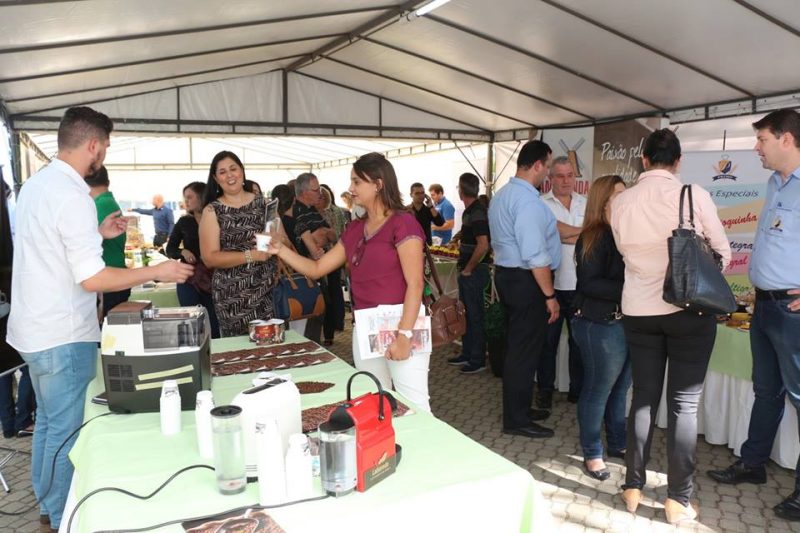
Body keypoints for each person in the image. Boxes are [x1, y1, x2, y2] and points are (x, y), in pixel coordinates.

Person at [7, 106, 192, 532]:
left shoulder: (37, 185)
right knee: (67, 432)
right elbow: (92, 278)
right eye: (105, 147)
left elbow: (53, 247)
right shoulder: (72, 195)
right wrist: (157, 271)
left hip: (35, 330)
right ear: (93, 145)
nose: (103, 155)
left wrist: (98, 233)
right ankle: (61, 516)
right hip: (61, 333)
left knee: (49, 424)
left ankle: (47, 505)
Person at [610, 128, 730, 524]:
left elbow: (623, 251)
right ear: (678, 162)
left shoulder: (620, 202)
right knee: (684, 405)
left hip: (638, 310)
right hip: (688, 310)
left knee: (643, 398)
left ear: (644, 159)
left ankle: (632, 486)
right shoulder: (693, 195)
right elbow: (723, 253)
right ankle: (678, 499)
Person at [266, 153, 430, 411]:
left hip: (403, 324)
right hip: (366, 328)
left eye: (356, 182)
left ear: (378, 184)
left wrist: (404, 335)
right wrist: (280, 250)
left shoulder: (403, 223)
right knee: (374, 404)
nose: (351, 188)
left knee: (415, 406)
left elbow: (415, 284)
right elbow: (317, 268)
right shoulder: (355, 229)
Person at [707, 108, 800, 522]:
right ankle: (753, 463)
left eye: (762, 140)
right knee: (766, 390)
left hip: (791, 312)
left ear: (786, 139)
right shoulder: (775, 182)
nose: (756, 148)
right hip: (764, 304)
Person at [488, 140, 560, 439]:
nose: (548, 174)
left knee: (519, 349)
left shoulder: (503, 194)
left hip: (509, 277)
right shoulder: (528, 201)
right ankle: (516, 420)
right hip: (526, 281)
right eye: (548, 166)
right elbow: (535, 255)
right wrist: (550, 296)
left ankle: (519, 409)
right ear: (538, 165)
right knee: (523, 352)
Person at [570, 175, 630, 480]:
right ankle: (592, 452)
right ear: (603, 201)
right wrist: (633, 287)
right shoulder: (594, 236)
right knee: (598, 390)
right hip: (600, 325)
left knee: (620, 390)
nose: (626, 199)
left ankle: (618, 442)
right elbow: (590, 283)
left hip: (625, 322)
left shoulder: (625, 232)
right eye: (619, 195)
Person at [199, 151, 278, 338]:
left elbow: (281, 240)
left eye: (233, 169)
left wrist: (274, 240)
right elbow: (209, 258)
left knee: (268, 345)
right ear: (216, 178)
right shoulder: (212, 211)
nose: (230, 175)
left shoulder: (265, 204)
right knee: (239, 348)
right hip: (231, 295)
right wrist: (251, 255)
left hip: (265, 289)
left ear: (242, 171)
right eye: (222, 172)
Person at [538, 157, 587, 408]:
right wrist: (581, 233)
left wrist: (562, 234)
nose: (566, 180)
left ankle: (576, 392)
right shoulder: (540, 204)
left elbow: (593, 235)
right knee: (548, 343)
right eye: (560, 175)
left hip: (580, 285)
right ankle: (545, 391)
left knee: (578, 343)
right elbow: (549, 234)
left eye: (570, 175)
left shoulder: (586, 203)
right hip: (551, 286)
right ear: (550, 178)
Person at [446, 173, 491, 374]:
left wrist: (469, 268)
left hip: (474, 273)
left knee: (474, 316)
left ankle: (477, 358)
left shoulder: (477, 212)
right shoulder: (471, 211)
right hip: (468, 272)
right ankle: (467, 352)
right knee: (465, 314)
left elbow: (483, 244)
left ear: (461, 190)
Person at [166, 181, 220, 338]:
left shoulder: (218, 219)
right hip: (188, 277)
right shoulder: (184, 222)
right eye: (185, 198)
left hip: (213, 278)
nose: (186, 201)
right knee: (191, 323)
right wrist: (183, 251)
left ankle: (216, 351)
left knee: (215, 324)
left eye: (190, 197)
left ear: (202, 197)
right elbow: (170, 249)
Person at [85, 166, 130, 317]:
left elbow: (82, 242)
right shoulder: (108, 202)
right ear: (107, 182)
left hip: (108, 278)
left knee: (106, 328)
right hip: (114, 276)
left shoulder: (98, 205)